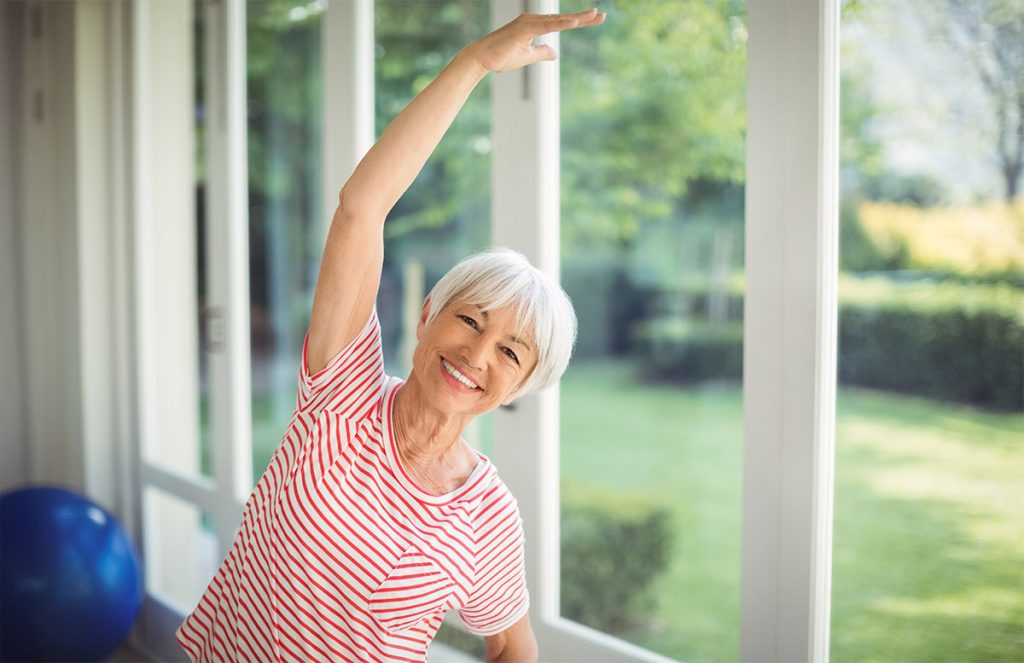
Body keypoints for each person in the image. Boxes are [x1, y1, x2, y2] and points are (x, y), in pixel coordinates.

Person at [176, 8, 605, 662]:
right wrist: (476, 63)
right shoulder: (341, 393)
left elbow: (514, 645)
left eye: (510, 352)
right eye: (469, 318)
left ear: (522, 384)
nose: (476, 353)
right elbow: (361, 207)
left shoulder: (487, 514)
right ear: (428, 312)